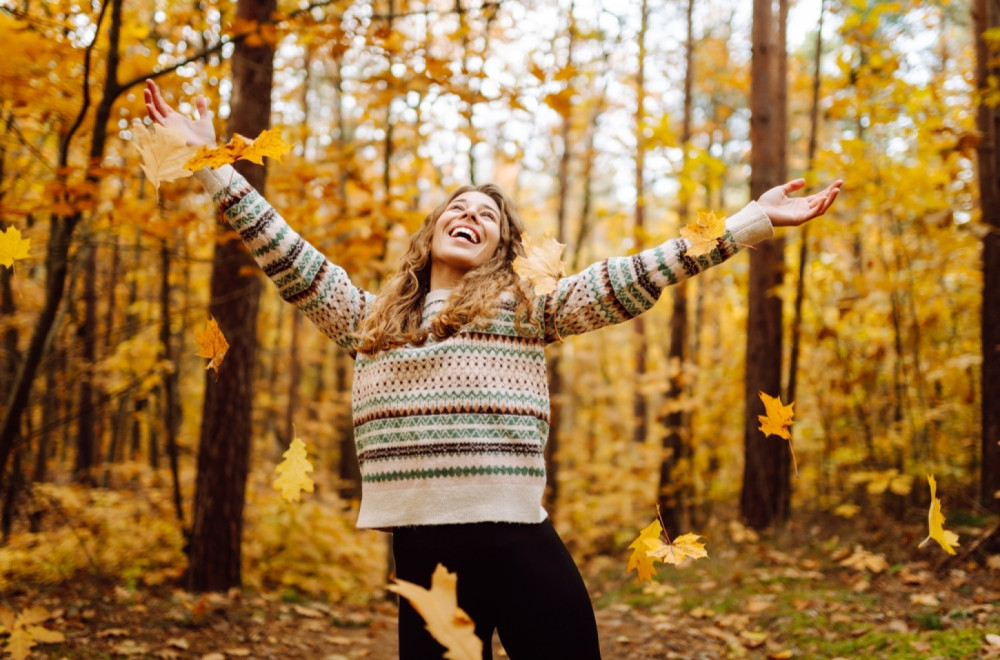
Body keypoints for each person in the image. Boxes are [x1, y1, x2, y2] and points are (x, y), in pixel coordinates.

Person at [144, 78, 841, 660]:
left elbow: (632, 274)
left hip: (516, 538)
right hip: (424, 553)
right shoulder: (368, 320)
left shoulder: (526, 307)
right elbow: (283, 251)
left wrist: (747, 222)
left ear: (502, 249)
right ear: (434, 231)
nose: (471, 215)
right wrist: (212, 163)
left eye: (488, 216)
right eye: (460, 207)